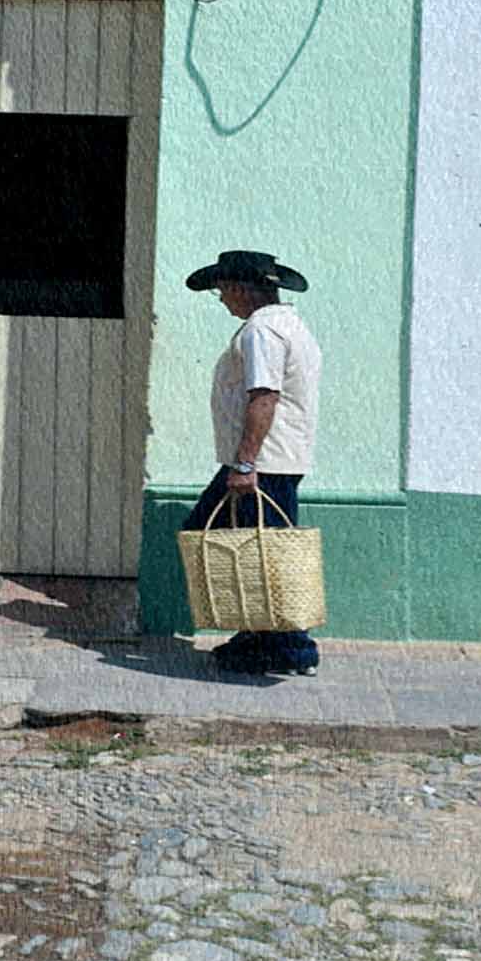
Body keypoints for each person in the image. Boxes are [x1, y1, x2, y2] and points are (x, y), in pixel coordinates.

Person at [180, 249, 323, 676]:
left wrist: (244, 464)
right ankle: (259, 637)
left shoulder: (263, 331)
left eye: (222, 290)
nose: (222, 299)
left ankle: (293, 649)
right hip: (272, 458)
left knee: (263, 553)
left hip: (262, 462)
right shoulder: (288, 323)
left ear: (242, 289)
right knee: (253, 548)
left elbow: (264, 396)